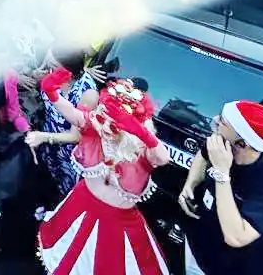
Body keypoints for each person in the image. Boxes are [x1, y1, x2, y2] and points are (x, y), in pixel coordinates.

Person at [34, 71, 172, 275]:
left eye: (115, 123)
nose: (106, 126)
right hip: (80, 206)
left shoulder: (141, 148)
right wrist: (52, 91)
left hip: (118, 224)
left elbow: (163, 158)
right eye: (103, 118)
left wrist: (142, 133)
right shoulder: (93, 127)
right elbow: (71, 112)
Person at [179, 99, 263, 275]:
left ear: (242, 143)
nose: (215, 120)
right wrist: (191, 183)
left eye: (223, 122)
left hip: (232, 268)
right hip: (197, 248)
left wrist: (222, 173)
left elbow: (236, 237)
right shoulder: (220, 146)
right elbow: (203, 154)